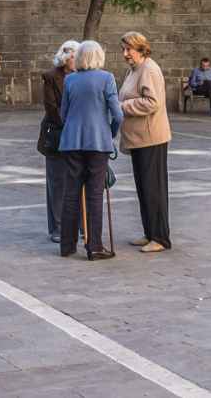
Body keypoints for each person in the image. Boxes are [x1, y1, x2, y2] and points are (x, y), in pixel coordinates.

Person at [58, 40, 123, 260]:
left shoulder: (70, 80)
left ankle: (67, 245)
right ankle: (94, 246)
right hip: (97, 143)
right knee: (95, 194)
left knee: (70, 193)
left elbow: (63, 114)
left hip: (71, 142)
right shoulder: (107, 78)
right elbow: (118, 114)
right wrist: (110, 133)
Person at [119, 32, 172, 252]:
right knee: (143, 188)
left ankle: (160, 237)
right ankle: (150, 232)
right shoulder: (134, 70)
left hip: (151, 138)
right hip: (138, 138)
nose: (125, 54)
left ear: (140, 48)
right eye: (123, 49)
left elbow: (152, 102)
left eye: (128, 49)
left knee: (153, 189)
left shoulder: (149, 69)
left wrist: (122, 106)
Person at [42, 41, 81, 243]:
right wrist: (69, 125)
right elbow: (51, 108)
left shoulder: (83, 76)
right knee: (57, 183)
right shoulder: (51, 77)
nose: (75, 60)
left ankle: (81, 224)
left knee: (78, 180)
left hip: (79, 135)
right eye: (73, 56)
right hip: (58, 133)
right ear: (65, 58)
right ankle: (56, 227)